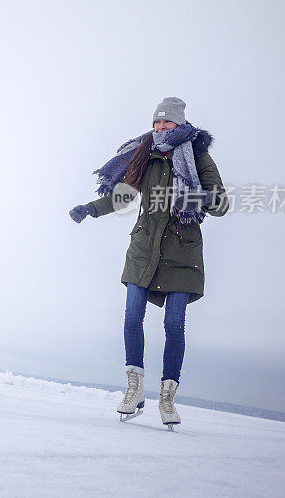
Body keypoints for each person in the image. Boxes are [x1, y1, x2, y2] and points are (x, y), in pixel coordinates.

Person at [69, 97, 229, 430]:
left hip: (182, 252)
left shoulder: (197, 156)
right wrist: (89, 208)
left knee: (174, 324)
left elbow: (221, 204)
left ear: (180, 124)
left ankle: (168, 397)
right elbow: (123, 196)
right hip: (144, 248)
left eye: (166, 123)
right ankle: (134, 388)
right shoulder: (146, 153)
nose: (159, 128)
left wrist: (189, 197)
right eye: (156, 123)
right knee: (131, 316)